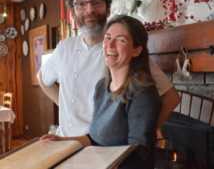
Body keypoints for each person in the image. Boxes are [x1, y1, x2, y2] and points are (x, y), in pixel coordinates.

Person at [37, 0, 180, 137]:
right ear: (73, 12)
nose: (90, 10)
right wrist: (64, 106)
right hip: (65, 141)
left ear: (108, 10)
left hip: (104, 149)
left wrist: (146, 132)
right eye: (81, 4)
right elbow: (42, 78)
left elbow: (171, 97)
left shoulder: (121, 51)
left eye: (97, 2)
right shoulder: (64, 47)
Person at [41, 15, 162, 169]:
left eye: (120, 40)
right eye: (108, 38)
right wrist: (61, 141)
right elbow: (94, 139)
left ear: (137, 50)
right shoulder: (102, 86)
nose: (109, 44)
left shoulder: (142, 91)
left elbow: (139, 152)